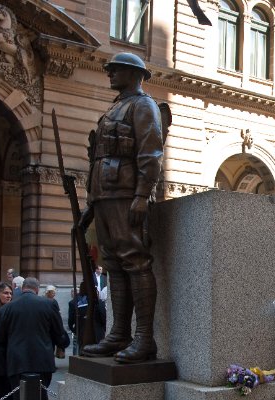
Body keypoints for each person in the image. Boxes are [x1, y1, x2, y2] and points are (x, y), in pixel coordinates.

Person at [78, 52, 163, 363]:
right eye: (109, 69)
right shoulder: (114, 108)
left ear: (134, 73)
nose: (109, 73)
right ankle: (118, 334)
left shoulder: (143, 105)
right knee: (113, 264)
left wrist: (142, 195)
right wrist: (91, 201)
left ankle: (144, 339)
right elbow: (97, 157)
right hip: (105, 195)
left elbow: (151, 153)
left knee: (135, 261)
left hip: (126, 194)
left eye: (116, 70)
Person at [0, 278, 68, 400]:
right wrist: (62, 343)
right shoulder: (48, 304)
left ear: (22, 288)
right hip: (42, 361)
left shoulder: (8, 308)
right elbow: (60, 335)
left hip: (16, 363)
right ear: (37, 289)